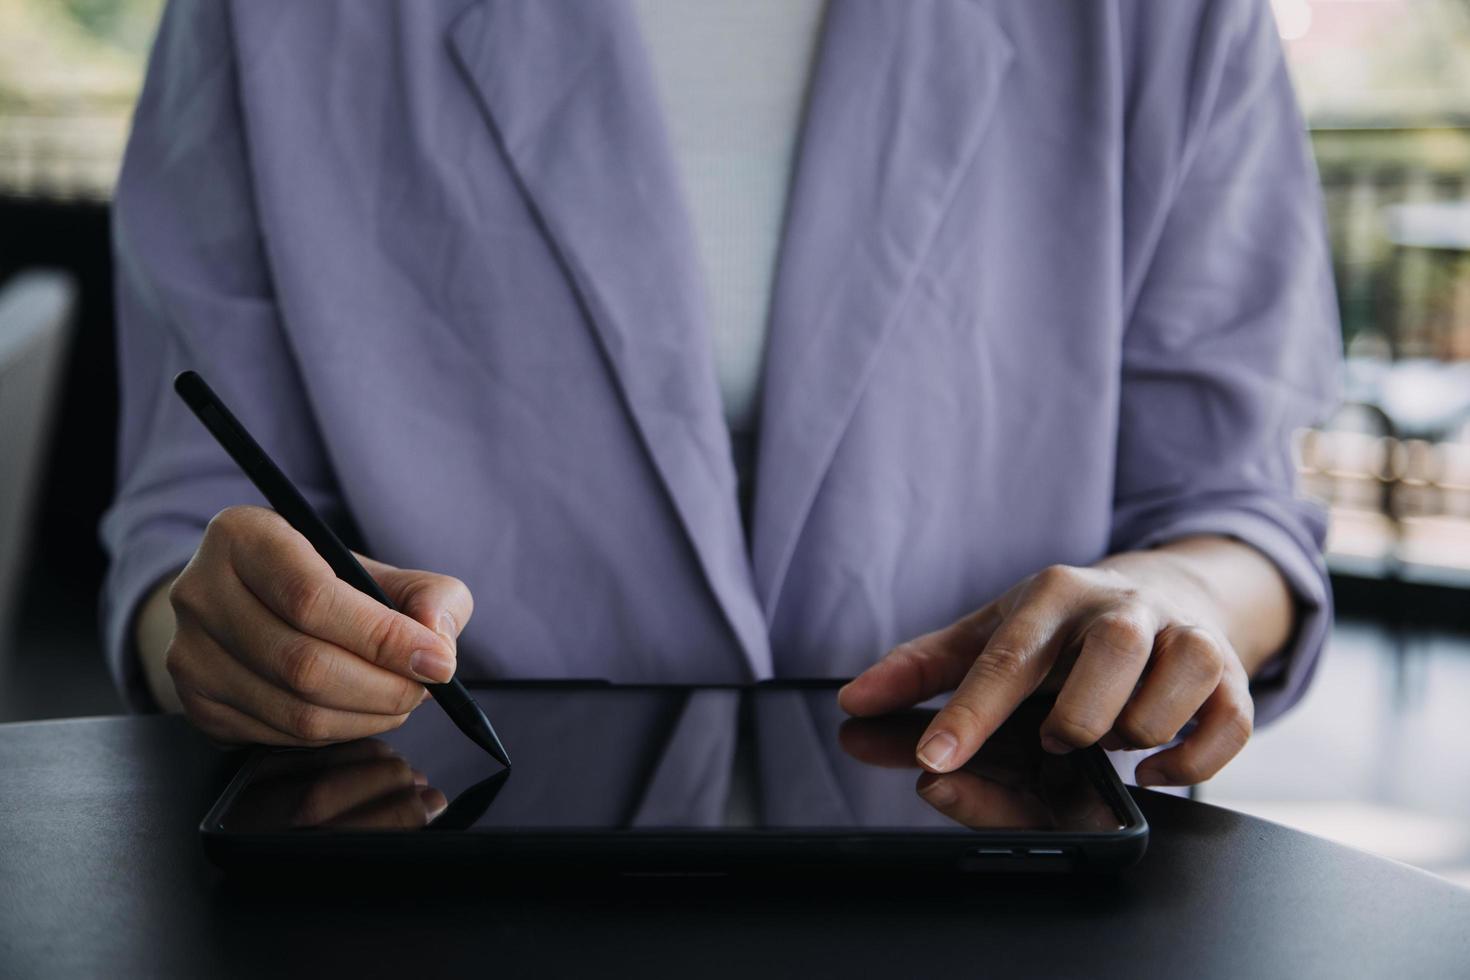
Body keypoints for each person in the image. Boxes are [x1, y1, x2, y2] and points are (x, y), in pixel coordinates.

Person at [103, 0, 1339, 788]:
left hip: (991, 867)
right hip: (433, 869)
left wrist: (1172, 598)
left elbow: (1237, 509)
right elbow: (195, 514)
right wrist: (208, 636)